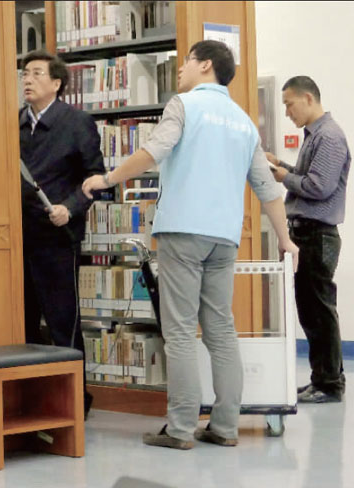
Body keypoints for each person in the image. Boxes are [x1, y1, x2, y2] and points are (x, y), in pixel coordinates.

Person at [82, 40, 299, 449]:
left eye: (185, 61)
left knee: (180, 332)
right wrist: (285, 239)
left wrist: (107, 179)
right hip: (225, 237)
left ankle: (181, 428)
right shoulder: (243, 121)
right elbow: (267, 188)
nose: (180, 69)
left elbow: (153, 152)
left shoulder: (184, 105)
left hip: (183, 231)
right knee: (221, 329)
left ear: (203, 65)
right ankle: (225, 426)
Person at [19, 51, 105, 412]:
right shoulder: (13, 124)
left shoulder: (77, 123)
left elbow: (96, 180)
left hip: (58, 239)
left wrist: (69, 208)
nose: (27, 80)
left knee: (61, 322)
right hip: (17, 238)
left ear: (56, 83)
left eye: (37, 73)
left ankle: (73, 402)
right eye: (24, 74)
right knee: (21, 323)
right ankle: (31, 398)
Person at [266, 76, 350, 403]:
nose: (287, 111)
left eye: (290, 103)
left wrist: (284, 175)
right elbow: (308, 180)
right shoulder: (314, 136)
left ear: (308, 98)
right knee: (311, 313)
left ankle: (330, 384)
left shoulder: (329, 137)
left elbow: (319, 187)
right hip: (308, 234)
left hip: (318, 235)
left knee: (319, 313)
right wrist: (282, 165)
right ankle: (322, 379)